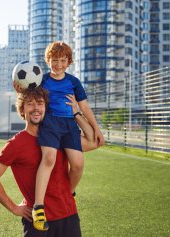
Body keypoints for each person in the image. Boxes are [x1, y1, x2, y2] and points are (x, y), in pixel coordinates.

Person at [0, 87, 99, 236]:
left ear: (46, 107)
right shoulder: (16, 144)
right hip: (38, 220)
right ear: (22, 109)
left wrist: (76, 113)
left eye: (40, 103)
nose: (36, 108)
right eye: (30, 103)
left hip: (69, 215)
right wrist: (14, 208)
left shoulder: (60, 136)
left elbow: (93, 141)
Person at [32, 41, 105, 230]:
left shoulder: (73, 82)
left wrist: (96, 129)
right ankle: (38, 206)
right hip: (50, 124)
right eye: (54, 60)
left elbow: (85, 107)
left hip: (70, 126)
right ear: (48, 61)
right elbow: (30, 97)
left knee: (78, 164)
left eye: (63, 60)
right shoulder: (43, 80)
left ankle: (69, 192)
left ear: (69, 61)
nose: (58, 64)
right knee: (49, 158)